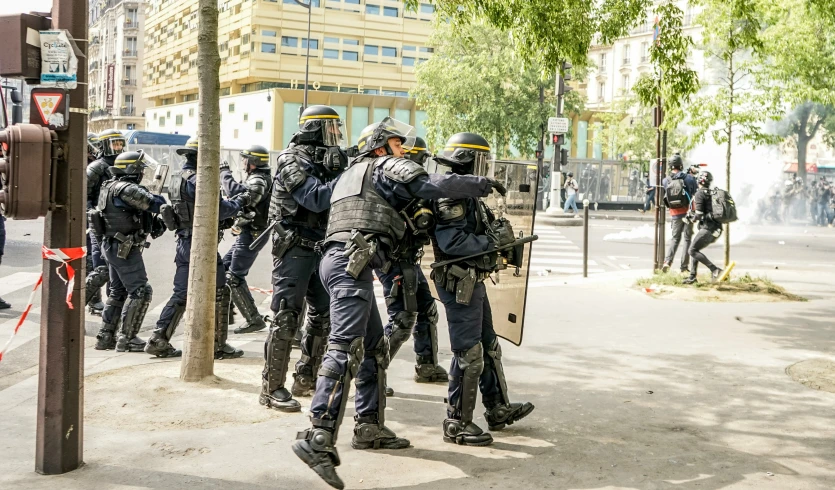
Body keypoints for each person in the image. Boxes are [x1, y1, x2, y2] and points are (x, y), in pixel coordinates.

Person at [291, 119, 506, 490]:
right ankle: (318, 437)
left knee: (374, 348)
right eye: (396, 144)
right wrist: (480, 183)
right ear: (379, 147)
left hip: (342, 262)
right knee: (345, 347)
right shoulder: (382, 165)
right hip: (349, 264)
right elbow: (431, 184)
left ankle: (369, 426)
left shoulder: (349, 175)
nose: (402, 151)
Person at [430, 132, 535, 447]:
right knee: (468, 353)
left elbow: (483, 231)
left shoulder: (466, 193)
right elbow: (453, 243)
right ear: (467, 159)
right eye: (481, 160)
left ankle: (498, 408)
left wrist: (504, 240)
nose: (485, 167)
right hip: (458, 278)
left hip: (473, 277)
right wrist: (493, 243)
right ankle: (457, 423)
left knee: (488, 344)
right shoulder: (450, 194)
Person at [260, 105, 346, 413]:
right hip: (294, 247)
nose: (337, 133)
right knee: (286, 317)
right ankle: (271, 388)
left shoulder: (326, 159)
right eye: (332, 127)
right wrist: (346, 177)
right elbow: (315, 198)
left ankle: (306, 377)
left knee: (323, 317)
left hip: (320, 246)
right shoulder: (291, 159)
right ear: (315, 129)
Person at [144, 137, 250, 359]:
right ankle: (217, 345)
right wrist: (240, 201)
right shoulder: (199, 180)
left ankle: (158, 338)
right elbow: (220, 209)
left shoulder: (178, 176)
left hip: (184, 241)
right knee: (220, 290)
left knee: (181, 293)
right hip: (200, 242)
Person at [375, 135, 448, 396]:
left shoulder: (414, 189)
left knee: (427, 311)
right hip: (393, 260)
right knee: (402, 318)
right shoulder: (393, 185)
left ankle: (426, 365)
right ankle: (373, 375)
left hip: (408, 259)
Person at [90, 151, 167, 352]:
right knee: (141, 291)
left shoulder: (109, 186)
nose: (142, 173)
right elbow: (155, 204)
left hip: (112, 245)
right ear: (132, 169)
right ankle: (128, 339)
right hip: (124, 247)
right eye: (140, 169)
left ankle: (106, 336)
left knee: (118, 291)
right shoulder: (126, 189)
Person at [220, 145, 273, 334]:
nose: (243, 163)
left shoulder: (258, 180)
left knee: (234, 277)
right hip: (248, 232)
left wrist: (224, 174)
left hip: (253, 233)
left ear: (254, 162)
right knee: (223, 268)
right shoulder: (256, 177)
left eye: (245, 159)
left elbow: (241, 196)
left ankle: (254, 319)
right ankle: (225, 314)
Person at [85, 129, 126, 315]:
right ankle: (94, 301)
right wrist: (92, 215)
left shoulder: (124, 164)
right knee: (99, 264)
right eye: (114, 143)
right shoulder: (96, 167)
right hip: (99, 223)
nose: (118, 147)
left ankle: (113, 302)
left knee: (116, 266)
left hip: (117, 223)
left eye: (120, 143)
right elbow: (84, 195)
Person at [683, 171, 722, 285]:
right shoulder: (711, 192)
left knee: (692, 250)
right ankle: (692, 276)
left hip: (708, 228)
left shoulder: (700, 193)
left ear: (699, 181)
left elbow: (699, 214)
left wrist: (691, 219)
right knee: (695, 249)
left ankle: (715, 270)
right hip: (716, 228)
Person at [661, 154, 697, 273]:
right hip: (688, 213)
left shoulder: (665, 180)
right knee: (687, 239)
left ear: (670, 166)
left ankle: (667, 261)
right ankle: (684, 267)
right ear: (681, 165)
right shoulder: (690, 178)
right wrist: (692, 175)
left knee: (675, 239)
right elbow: (695, 192)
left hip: (675, 214)